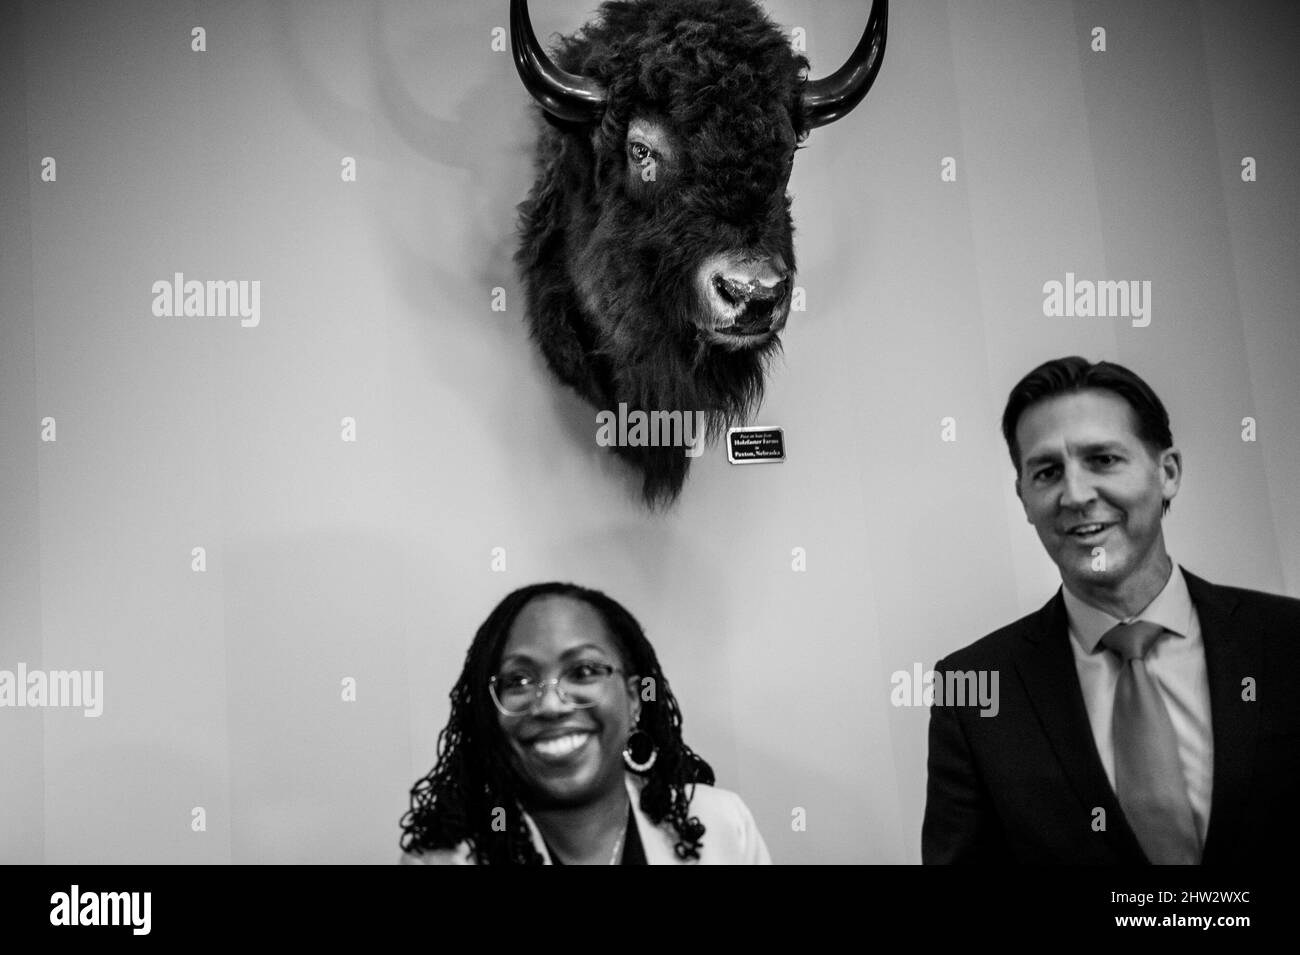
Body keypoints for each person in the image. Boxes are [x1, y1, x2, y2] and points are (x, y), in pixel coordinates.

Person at [922, 356, 1300, 864]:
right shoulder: (970, 685)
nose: (1075, 495)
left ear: (1167, 473)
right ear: (1024, 498)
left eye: (1102, 460)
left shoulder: (1288, 640)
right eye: (1048, 471)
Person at [399, 581, 771, 864]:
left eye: (584, 671)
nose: (550, 705)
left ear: (633, 699)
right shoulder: (442, 859)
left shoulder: (723, 826)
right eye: (519, 680)